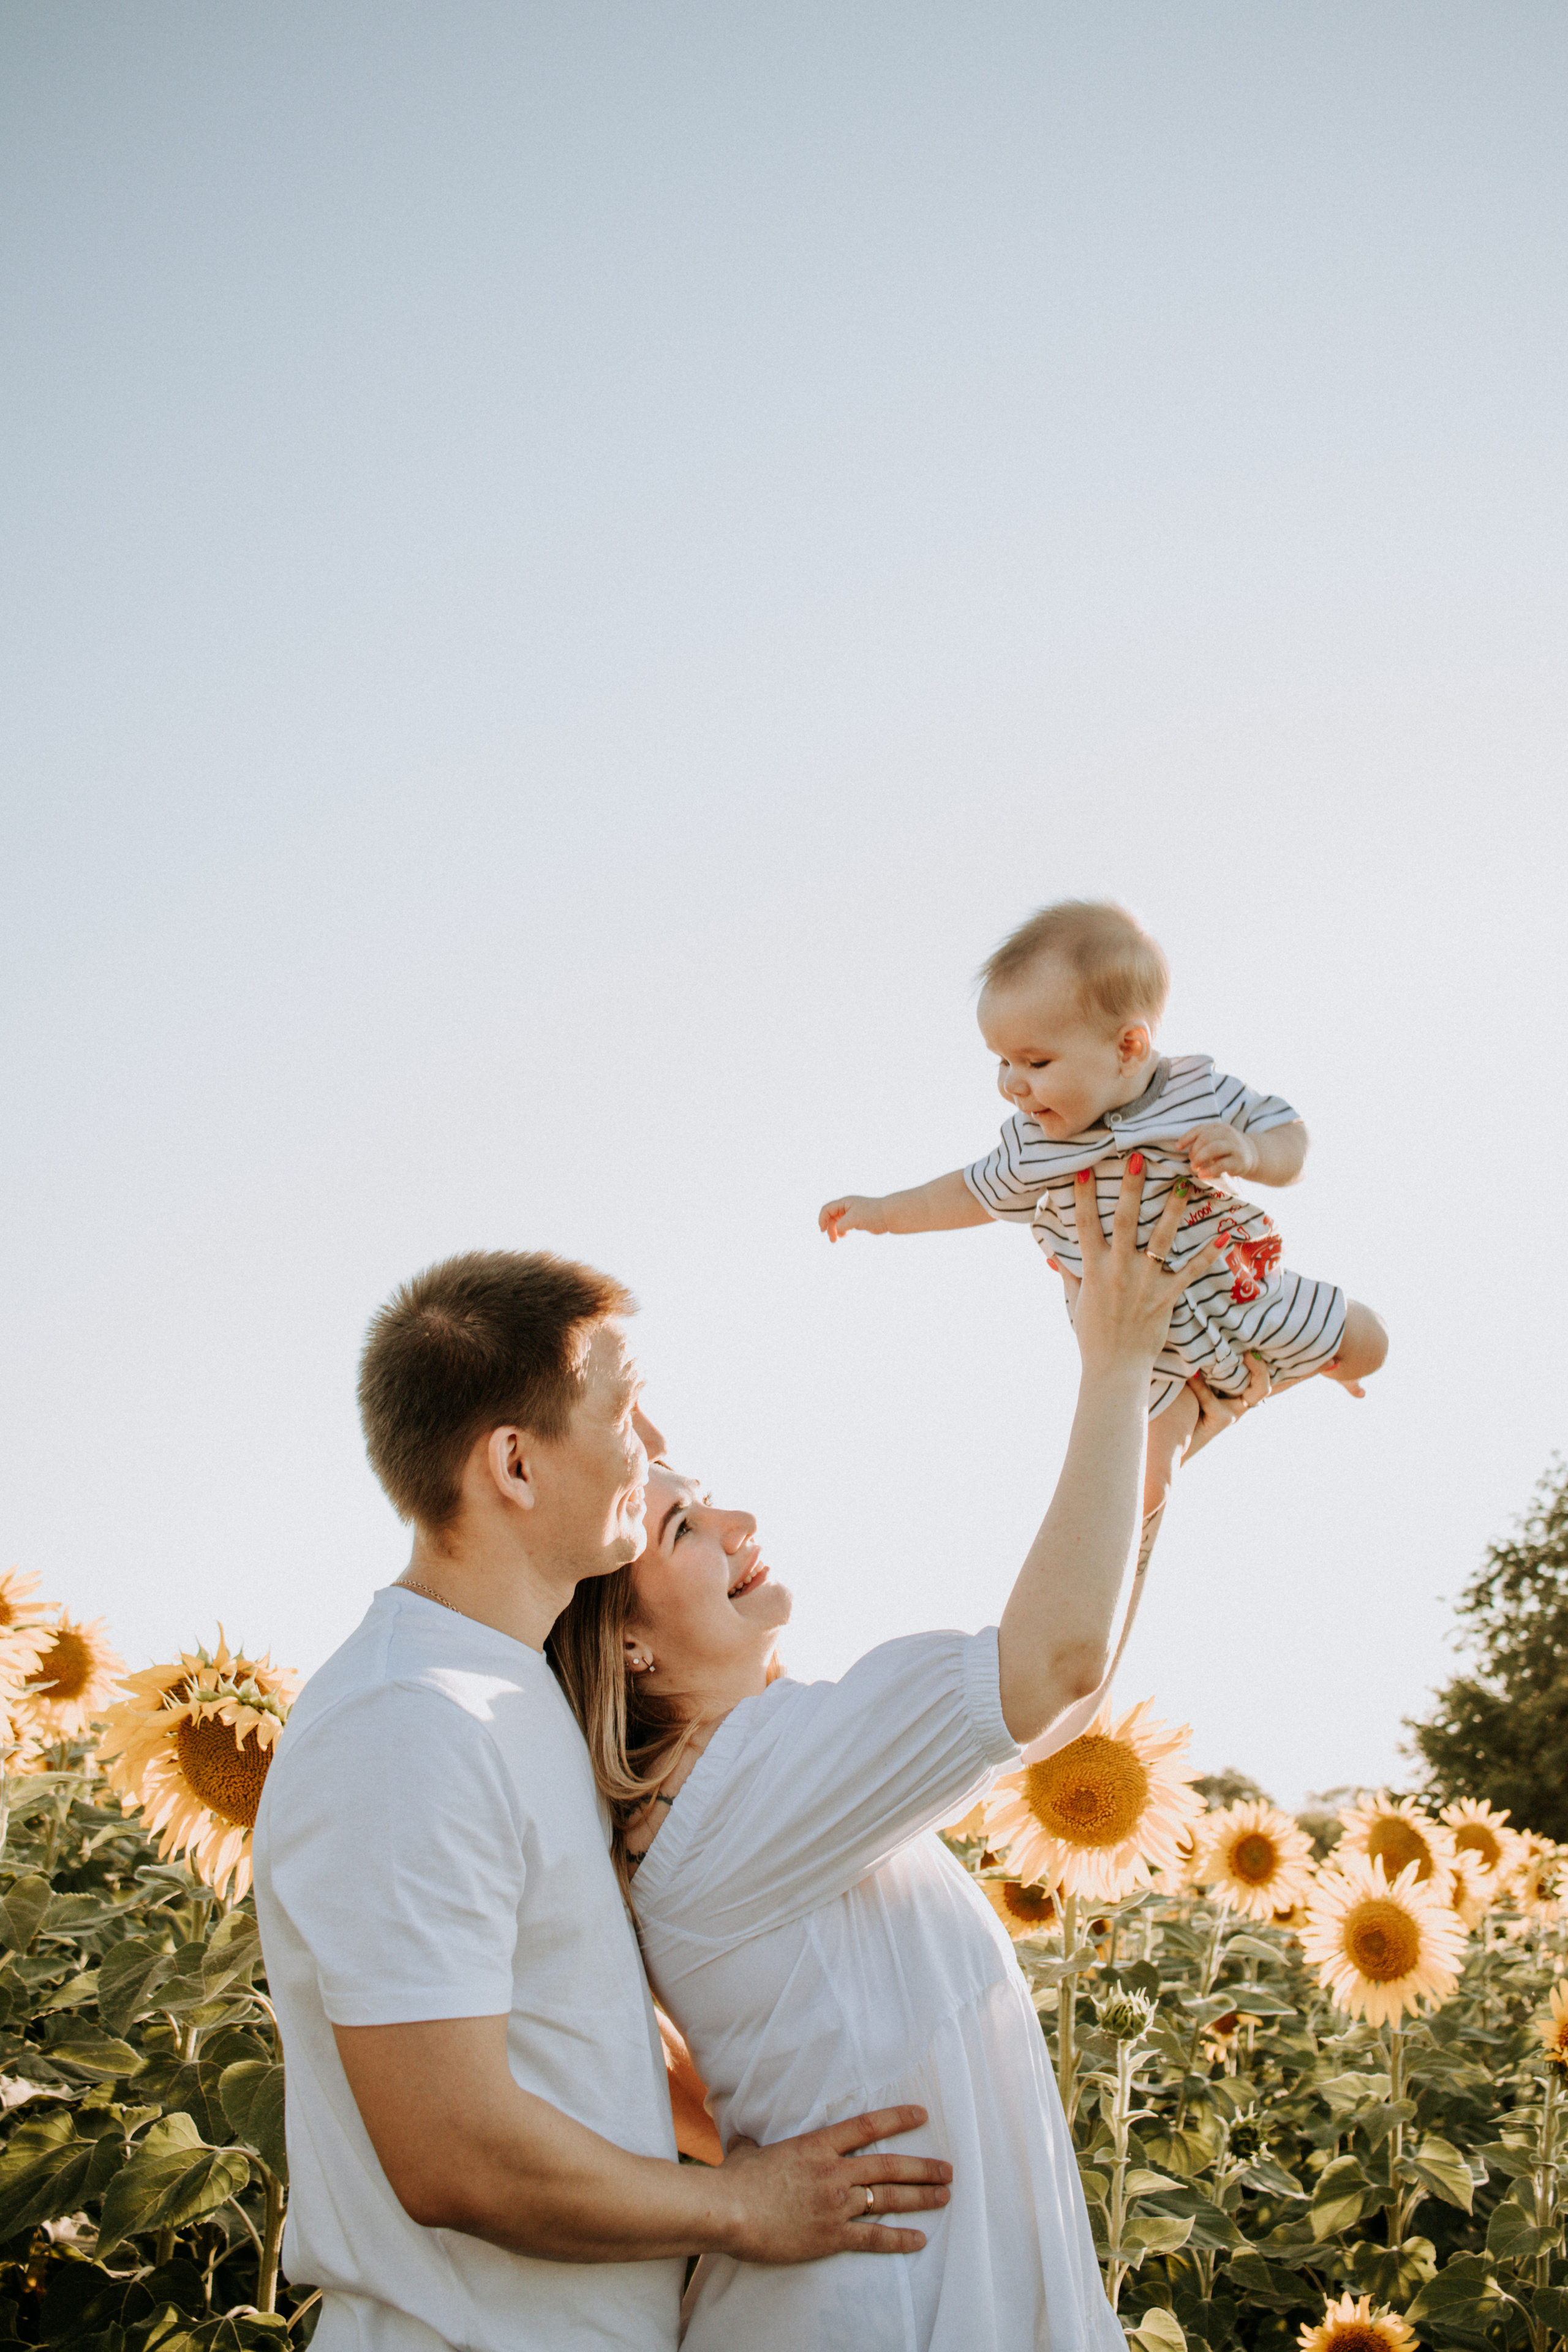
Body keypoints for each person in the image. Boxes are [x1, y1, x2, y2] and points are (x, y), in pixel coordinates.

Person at [550, 1158, 1235, 2351]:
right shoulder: (740, 1796)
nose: (736, 1525)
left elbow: (1052, 1705)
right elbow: (1047, 1669)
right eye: (677, 1527)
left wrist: (1154, 1461)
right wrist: (1111, 1365)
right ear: (630, 1653)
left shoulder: (751, 1790)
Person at [251, 1249, 952, 2352]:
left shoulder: (503, 1694)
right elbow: (454, 2153)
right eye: (625, 1410)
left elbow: (574, 2042)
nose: (658, 1448)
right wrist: (744, 2209)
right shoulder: (407, 1723)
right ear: (516, 1468)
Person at [818, 896, 1387, 1542]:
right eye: (1001, 1061)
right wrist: (882, 1214)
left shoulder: (1199, 1094)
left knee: (1372, 1343)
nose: (1012, 1084)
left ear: (1127, 1046)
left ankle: (1297, 1368)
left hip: (1245, 1291)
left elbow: (1292, 1137)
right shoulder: (1035, 1146)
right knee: (1147, 1485)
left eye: (1035, 1062)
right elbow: (962, 1194)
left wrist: (1253, 1152)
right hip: (1149, 1349)